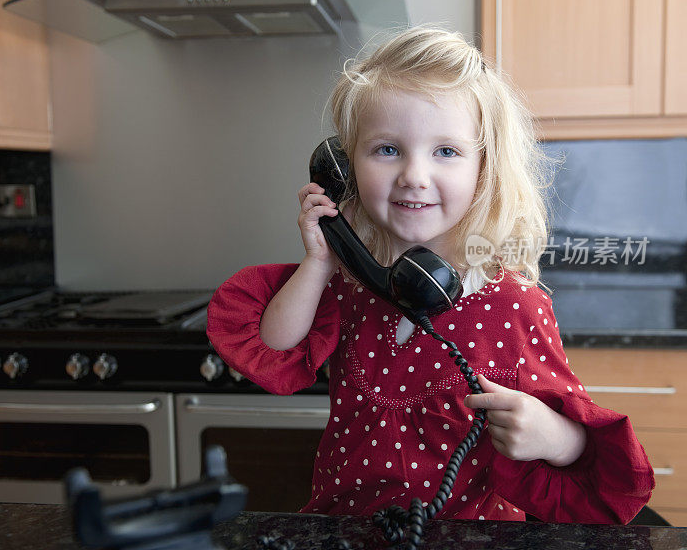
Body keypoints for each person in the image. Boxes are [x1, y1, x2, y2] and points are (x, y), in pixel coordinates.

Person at [206, 26, 654, 523]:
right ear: (344, 167)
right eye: (387, 149)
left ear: (484, 169)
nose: (413, 175)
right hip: (346, 531)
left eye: (446, 151)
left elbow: (591, 460)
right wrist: (320, 260)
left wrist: (556, 436)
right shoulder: (350, 286)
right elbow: (272, 349)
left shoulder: (513, 305)